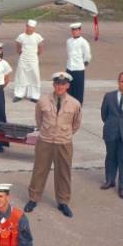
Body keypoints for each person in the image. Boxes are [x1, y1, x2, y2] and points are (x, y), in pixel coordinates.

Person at [25, 72, 82, 218]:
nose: (60, 86)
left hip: (64, 142)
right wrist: (46, 131)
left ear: (67, 85)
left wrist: (65, 133)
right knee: (39, 170)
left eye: (63, 84)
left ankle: (63, 201)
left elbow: (76, 124)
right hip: (45, 140)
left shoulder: (75, 104)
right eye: (57, 83)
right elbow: (39, 119)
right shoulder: (43, 101)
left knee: (63, 172)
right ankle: (33, 198)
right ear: (53, 85)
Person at [13, 19, 44, 103]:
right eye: (29, 27)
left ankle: (35, 96)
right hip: (23, 59)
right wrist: (21, 53)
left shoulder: (37, 36)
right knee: (21, 76)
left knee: (34, 76)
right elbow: (18, 46)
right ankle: (19, 94)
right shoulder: (21, 36)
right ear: (26, 26)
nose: (30, 29)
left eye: (32, 28)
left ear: (34, 29)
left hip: (33, 59)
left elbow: (41, 47)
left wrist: (35, 55)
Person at [66, 22, 91, 105]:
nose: (74, 32)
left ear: (80, 30)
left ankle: (78, 106)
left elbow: (87, 56)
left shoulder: (84, 42)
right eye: (73, 30)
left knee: (78, 90)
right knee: (69, 89)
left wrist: (83, 64)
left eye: (76, 30)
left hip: (79, 69)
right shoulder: (68, 41)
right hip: (69, 68)